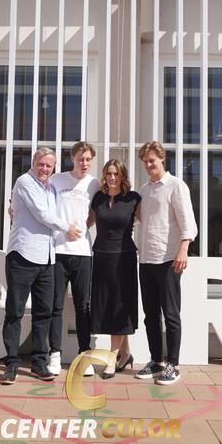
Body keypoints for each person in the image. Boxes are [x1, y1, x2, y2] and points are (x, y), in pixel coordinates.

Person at [0, 148, 81, 385]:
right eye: (41, 164)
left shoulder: (51, 188)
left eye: (49, 166)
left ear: (54, 168)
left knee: (43, 313)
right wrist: (67, 228)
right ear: (33, 163)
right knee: (14, 313)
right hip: (22, 256)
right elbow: (41, 214)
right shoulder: (24, 182)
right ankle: (11, 365)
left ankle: (38, 362)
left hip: (47, 259)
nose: (44, 169)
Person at [135, 141, 198, 385]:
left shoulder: (175, 185)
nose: (149, 164)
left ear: (162, 159)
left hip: (169, 259)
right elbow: (142, 220)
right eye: (145, 161)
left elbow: (188, 222)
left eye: (152, 160)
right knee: (150, 315)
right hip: (146, 259)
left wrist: (184, 249)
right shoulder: (144, 190)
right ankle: (156, 361)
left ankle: (173, 364)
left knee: (170, 314)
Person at [46, 142, 99, 376]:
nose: (84, 163)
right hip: (58, 251)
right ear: (72, 158)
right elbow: (40, 201)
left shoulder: (94, 183)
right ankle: (54, 355)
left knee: (83, 307)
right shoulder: (57, 180)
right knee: (55, 306)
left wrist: (91, 221)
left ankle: (84, 356)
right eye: (80, 159)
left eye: (88, 159)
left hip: (83, 253)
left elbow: (98, 209)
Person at [88, 158, 141, 379]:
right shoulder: (98, 198)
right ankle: (125, 353)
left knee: (119, 306)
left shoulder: (133, 198)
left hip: (124, 259)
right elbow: (87, 222)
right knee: (108, 306)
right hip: (101, 257)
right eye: (109, 173)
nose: (112, 178)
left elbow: (150, 221)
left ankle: (112, 359)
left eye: (116, 174)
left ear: (122, 176)